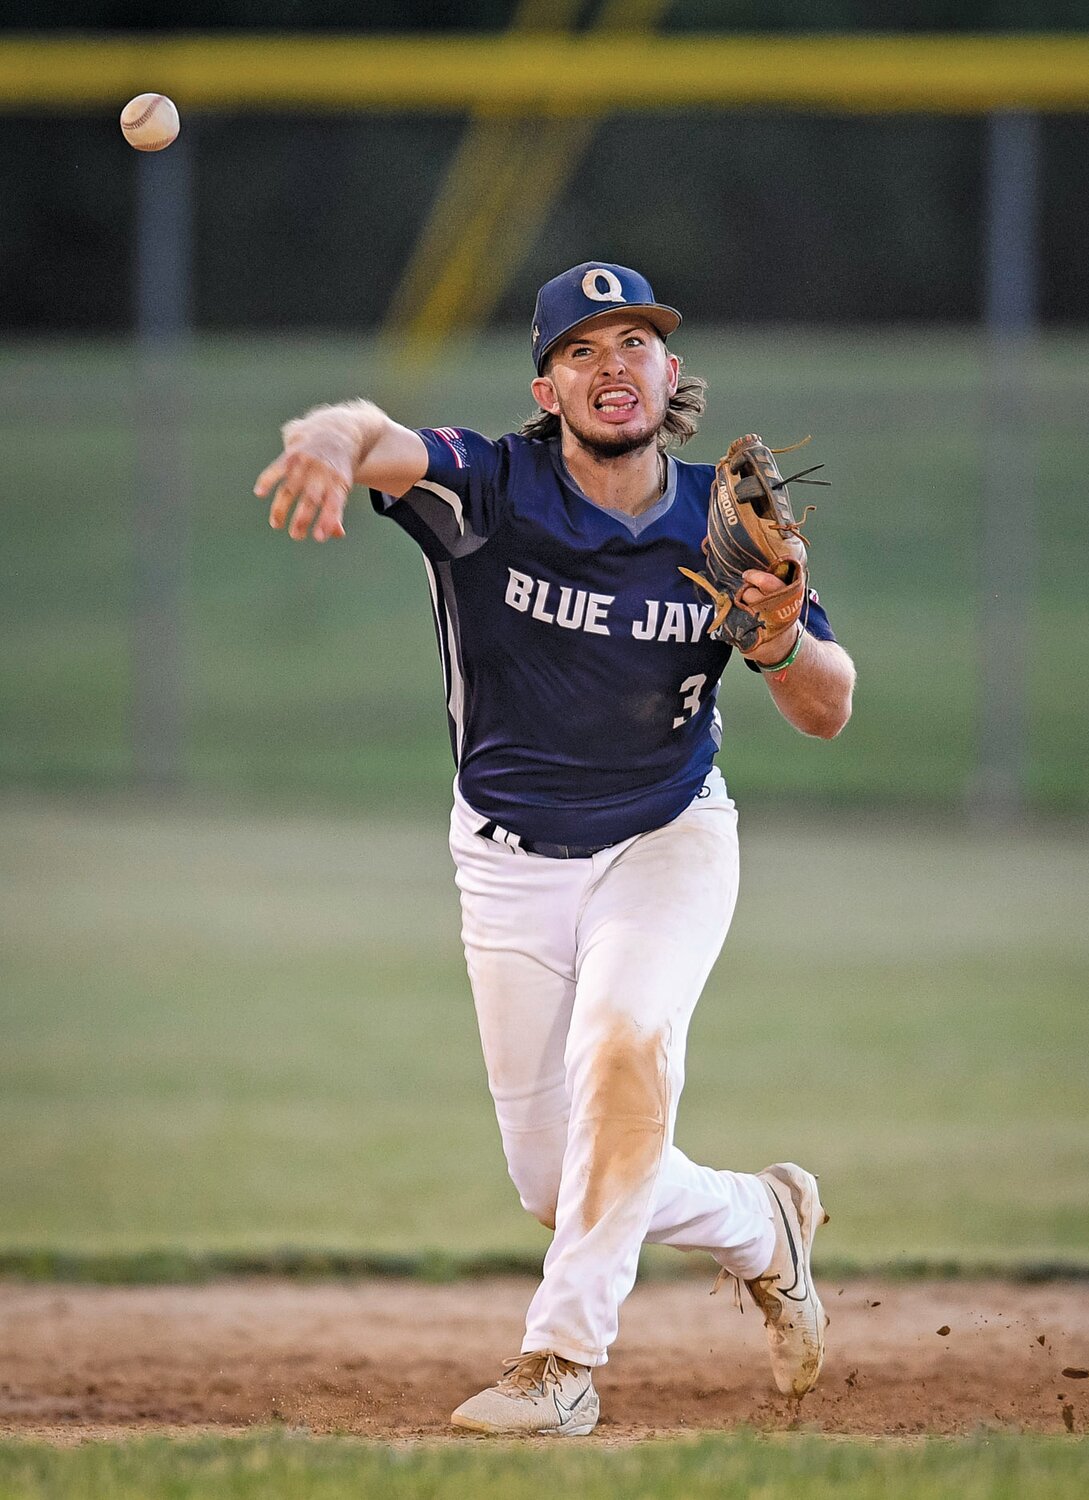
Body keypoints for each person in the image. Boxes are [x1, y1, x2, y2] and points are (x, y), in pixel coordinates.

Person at [254, 261, 856, 1437]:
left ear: (669, 375)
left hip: (666, 837)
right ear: (547, 385)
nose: (610, 365)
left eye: (633, 342)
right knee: (559, 1183)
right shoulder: (493, 488)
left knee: (625, 1049)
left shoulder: (721, 527)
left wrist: (781, 636)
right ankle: (762, 1223)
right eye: (582, 349)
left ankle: (561, 1362)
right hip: (507, 859)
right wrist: (328, 441)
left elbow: (829, 708)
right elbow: (375, 433)